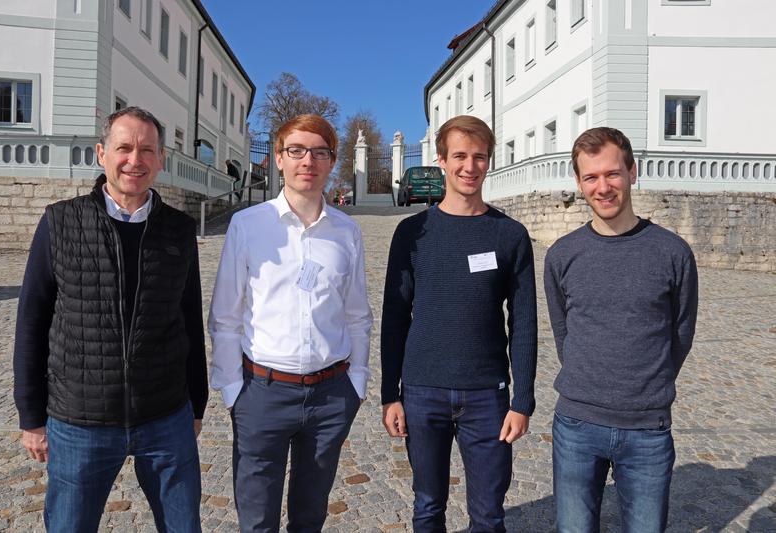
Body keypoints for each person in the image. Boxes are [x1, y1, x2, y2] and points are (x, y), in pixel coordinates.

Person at [13, 106, 207, 532]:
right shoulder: (60, 222)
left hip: (165, 414)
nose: (134, 160)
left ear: (160, 160)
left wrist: (198, 401)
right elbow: (32, 321)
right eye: (124, 148)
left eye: (146, 150)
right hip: (80, 418)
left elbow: (190, 319)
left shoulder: (179, 229)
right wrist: (31, 417)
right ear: (102, 153)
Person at [209, 114, 372, 532]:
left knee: (310, 515)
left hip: (330, 395)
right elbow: (225, 315)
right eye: (296, 150)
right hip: (261, 393)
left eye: (319, 152)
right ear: (278, 158)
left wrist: (357, 382)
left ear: (332, 161)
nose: (308, 161)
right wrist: (232, 391)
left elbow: (357, 313)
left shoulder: (347, 232)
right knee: (257, 519)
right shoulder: (248, 225)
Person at [381, 115, 538, 532]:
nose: (470, 167)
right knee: (428, 505)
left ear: (489, 162)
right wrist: (389, 393)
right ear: (442, 160)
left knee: (488, 514)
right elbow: (395, 316)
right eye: (460, 156)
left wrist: (522, 400)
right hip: (422, 390)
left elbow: (523, 323)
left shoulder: (510, 235)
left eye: (480, 157)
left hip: (488, 395)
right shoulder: (412, 233)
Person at [544, 127, 699, 533]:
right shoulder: (562, 255)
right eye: (591, 177)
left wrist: (646, 386)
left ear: (632, 171)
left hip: (648, 429)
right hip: (577, 424)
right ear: (579, 183)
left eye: (612, 174)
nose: (603, 187)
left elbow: (681, 334)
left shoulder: (673, 252)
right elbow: (563, 332)